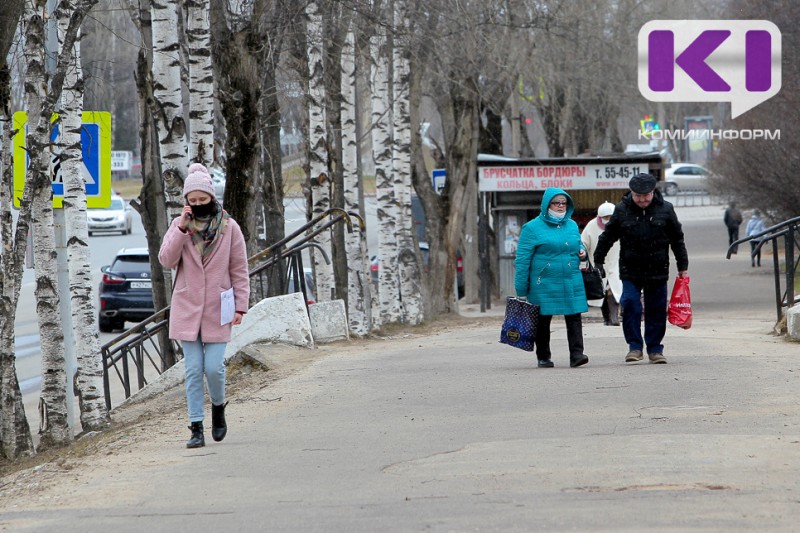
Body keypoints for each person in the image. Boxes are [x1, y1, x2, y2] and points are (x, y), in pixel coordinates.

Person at [158, 163, 250, 448]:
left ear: (212, 198)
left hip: (218, 308)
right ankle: (196, 427)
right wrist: (181, 229)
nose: (198, 205)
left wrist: (240, 306)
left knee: (214, 368)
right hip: (187, 308)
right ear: (186, 202)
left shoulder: (229, 227)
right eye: (192, 201)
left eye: (202, 200)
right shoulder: (179, 226)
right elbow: (166, 260)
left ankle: (219, 409)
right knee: (193, 369)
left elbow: (239, 269)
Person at [593, 173, 688, 365]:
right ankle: (635, 347)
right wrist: (598, 261)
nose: (642, 200)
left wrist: (682, 266)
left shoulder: (666, 210)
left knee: (656, 310)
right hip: (631, 270)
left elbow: (677, 239)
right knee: (630, 305)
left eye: (646, 196)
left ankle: (655, 349)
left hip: (658, 269)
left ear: (653, 192)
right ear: (632, 193)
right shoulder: (621, 210)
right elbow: (607, 237)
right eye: (638, 196)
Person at [514, 188, 589, 368]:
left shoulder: (571, 225)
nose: (561, 206)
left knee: (574, 317)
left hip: (570, 278)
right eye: (557, 203)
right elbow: (522, 260)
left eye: (564, 203)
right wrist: (521, 290)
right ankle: (544, 356)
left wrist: (582, 253)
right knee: (542, 320)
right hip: (544, 282)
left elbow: (578, 245)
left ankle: (577, 355)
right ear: (547, 204)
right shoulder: (531, 228)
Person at [581, 201, 621, 326]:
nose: (608, 220)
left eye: (611, 217)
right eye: (605, 218)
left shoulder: (621, 225)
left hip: (616, 263)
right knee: (601, 292)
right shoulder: (591, 226)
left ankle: (614, 318)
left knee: (614, 291)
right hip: (598, 264)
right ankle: (607, 318)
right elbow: (583, 243)